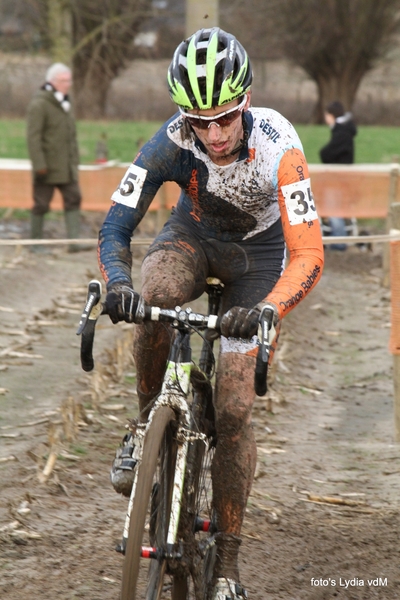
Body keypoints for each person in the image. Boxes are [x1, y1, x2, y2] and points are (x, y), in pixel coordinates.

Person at [98, 28, 324, 600]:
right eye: (200, 121)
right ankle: (145, 425)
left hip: (261, 258)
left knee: (233, 405)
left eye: (225, 117)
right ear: (183, 116)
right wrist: (119, 284)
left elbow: (310, 254)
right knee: (154, 294)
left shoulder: (280, 146)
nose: (214, 133)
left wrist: (268, 309)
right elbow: (115, 227)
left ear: (245, 103)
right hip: (193, 238)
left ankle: (227, 563)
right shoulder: (169, 142)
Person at [26, 62, 83, 251]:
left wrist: (74, 160)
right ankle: (35, 244)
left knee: (74, 198)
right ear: (52, 81)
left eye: (69, 80)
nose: (68, 84)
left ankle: (74, 243)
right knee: (41, 204)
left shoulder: (67, 101)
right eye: (63, 81)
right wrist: (39, 164)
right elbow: (33, 138)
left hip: (66, 167)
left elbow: (70, 135)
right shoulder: (40, 103)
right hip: (46, 167)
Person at [319, 100, 358, 251]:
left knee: (334, 208)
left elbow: (327, 153)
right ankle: (338, 239)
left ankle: (339, 242)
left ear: (332, 115)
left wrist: (324, 154)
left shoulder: (342, 132)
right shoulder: (344, 130)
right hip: (342, 177)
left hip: (338, 179)